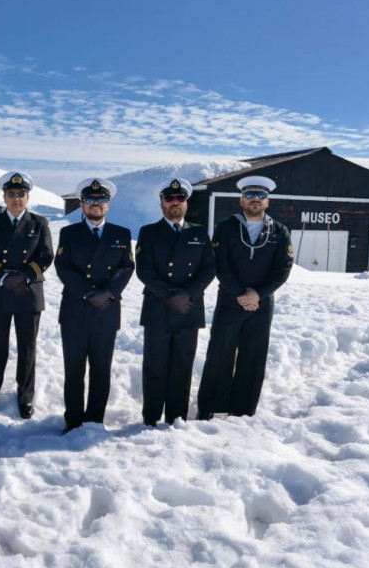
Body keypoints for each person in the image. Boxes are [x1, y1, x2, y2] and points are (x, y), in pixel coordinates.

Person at [196, 175, 294, 419]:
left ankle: (243, 411)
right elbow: (220, 265)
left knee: (254, 355)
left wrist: (257, 294)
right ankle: (211, 409)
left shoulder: (279, 231)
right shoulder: (226, 227)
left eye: (261, 196)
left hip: (261, 304)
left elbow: (283, 268)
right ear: (241, 200)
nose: (255, 200)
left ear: (267, 202)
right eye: (250, 195)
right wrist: (241, 293)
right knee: (220, 353)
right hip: (231, 299)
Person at [53, 178, 134, 433]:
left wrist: (108, 292)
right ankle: (74, 419)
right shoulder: (69, 233)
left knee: (101, 369)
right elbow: (63, 267)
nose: (96, 204)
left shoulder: (121, 234)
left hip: (106, 310)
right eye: (90, 200)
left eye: (101, 200)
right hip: (76, 309)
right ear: (82, 204)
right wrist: (89, 293)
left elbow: (126, 267)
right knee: (74, 369)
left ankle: (95, 419)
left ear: (108, 205)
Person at [135, 178, 216, 426]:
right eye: (169, 199)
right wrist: (171, 295)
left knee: (183, 365)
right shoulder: (149, 232)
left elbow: (209, 268)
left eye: (179, 199)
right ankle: (150, 416)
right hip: (159, 307)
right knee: (154, 365)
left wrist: (187, 294)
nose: (174, 203)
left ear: (186, 203)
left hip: (188, 309)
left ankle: (176, 416)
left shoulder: (199, 232)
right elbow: (144, 270)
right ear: (161, 204)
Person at [0, 171, 54, 419]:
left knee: (27, 347)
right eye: (11, 194)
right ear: (4, 197)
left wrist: (25, 276)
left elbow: (46, 255)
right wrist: (4, 278)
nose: (16, 199)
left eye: (21, 194)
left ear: (28, 197)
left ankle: (25, 396)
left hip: (28, 292)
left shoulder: (39, 223)